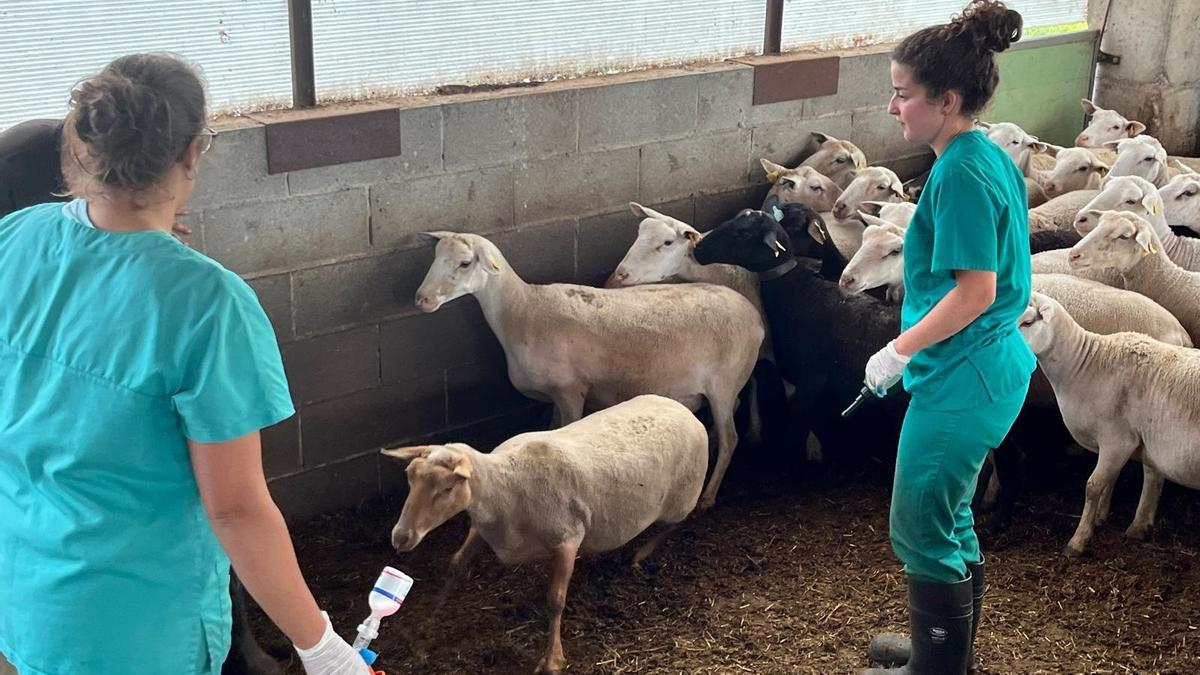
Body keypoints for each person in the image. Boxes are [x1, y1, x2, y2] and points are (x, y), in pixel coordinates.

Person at [0, 53, 369, 675]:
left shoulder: (15, 237)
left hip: (23, 591)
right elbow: (236, 509)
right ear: (195, 152)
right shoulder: (209, 304)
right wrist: (323, 647)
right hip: (135, 625)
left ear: (84, 143)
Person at [859, 2, 1035, 674]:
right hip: (986, 366)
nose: (892, 107)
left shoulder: (960, 172)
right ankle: (948, 654)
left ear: (947, 99)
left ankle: (935, 670)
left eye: (902, 95)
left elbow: (977, 290)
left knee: (921, 524)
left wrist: (897, 348)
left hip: (965, 375)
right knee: (950, 514)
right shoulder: (982, 153)